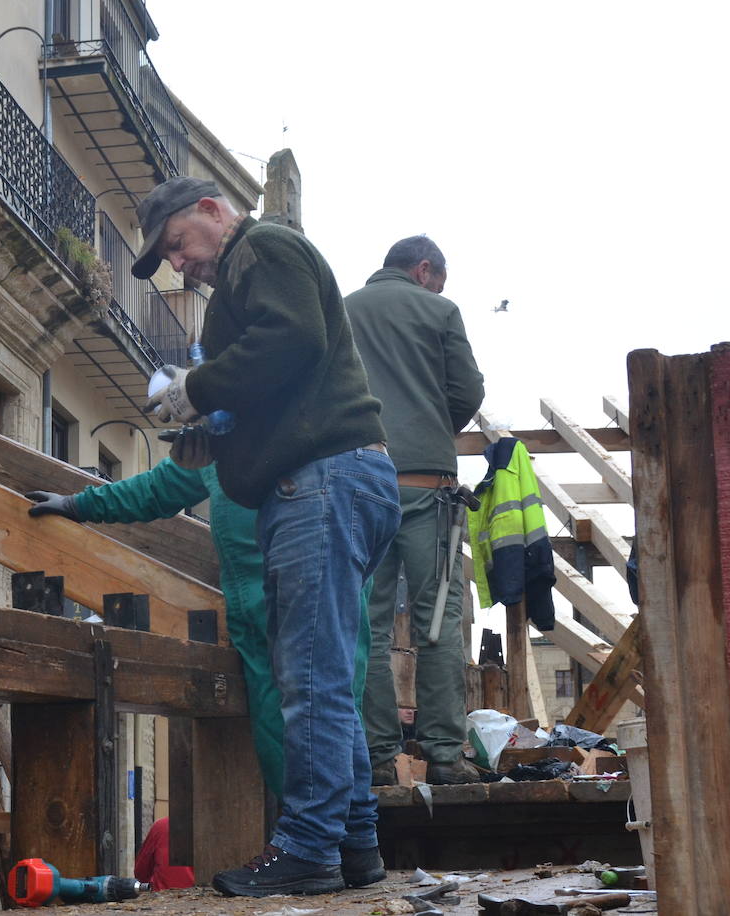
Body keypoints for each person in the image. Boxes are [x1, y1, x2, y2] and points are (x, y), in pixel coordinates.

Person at [136, 176, 400, 897]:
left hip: (320, 484)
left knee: (310, 676)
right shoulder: (251, 271)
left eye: (178, 245)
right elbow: (283, 379)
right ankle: (353, 844)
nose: (179, 265)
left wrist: (198, 387)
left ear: (213, 212)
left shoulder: (264, 248)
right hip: (333, 482)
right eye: (169, 257)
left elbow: (291, 340)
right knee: (324, 674)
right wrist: (211, 440)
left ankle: (309, 847)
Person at [25, 430, 375, 801]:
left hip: (310, 606)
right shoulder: (215, 447)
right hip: (259, 623)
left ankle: (333, 849)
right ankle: (331, 848)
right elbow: (159, 487)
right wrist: (79, 505)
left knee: (324, 723)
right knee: (286, 736)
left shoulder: (307, 432)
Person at [344, 236, 485, 787]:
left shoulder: (343, 310)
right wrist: (430, 422)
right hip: (428, 485)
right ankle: (446, 756)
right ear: (424, 271)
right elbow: (466, 391)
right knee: (437, 620)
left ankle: (378, 758)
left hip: (360, 484)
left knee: (368, 626)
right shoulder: (440, 310)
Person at [133, 818, 194, 891]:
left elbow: (141, 871)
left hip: (163, 896)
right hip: (199, 898)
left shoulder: (161, 826)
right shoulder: (208, 830)